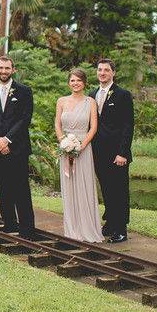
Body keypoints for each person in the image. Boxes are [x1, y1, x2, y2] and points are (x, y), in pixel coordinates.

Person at [0, 55, 36, 238]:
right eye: (0, 68)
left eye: (7, 68)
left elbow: (24, 119)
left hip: (17, 147)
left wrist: (8, 139)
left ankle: (27, 228)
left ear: (13, 70)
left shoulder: (24, 91)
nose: (3, 71)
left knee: (20, 187)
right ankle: (9, 224)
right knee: (3, 187)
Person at [55, 68, 103, 242]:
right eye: (72, 80)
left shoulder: (90, 102)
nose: (75, 83)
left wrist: (81, 146)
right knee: (69, 187)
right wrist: (64, 142)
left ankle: (87, 228)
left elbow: (94, 127)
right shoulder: (61, 101)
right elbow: (57, 124)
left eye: (79, 80)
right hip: (65, 147)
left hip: (84, 147)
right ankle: (72, 228)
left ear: (84, 83)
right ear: (69, 82)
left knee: (84, 185)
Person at [91, 59, 134, 243]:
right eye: (100, 70)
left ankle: (121, 229)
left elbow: (128, 125)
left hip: (117, 153)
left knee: (119, 190)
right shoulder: (92, 94)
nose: (102, 73)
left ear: (113, 73)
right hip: (98, 152)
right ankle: (110, 223)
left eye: (106, 70)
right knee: (106, 189)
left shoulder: (123, 95)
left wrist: (123, 153)